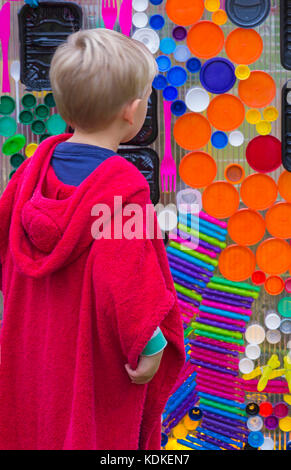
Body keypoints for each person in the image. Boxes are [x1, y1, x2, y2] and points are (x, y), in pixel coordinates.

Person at [0, 29, 185, 450]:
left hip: (33, 352)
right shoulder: (123, 189)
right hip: (91, 363)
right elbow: (127, 281)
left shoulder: (30, 174)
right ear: (134, 111)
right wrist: (152, 344)